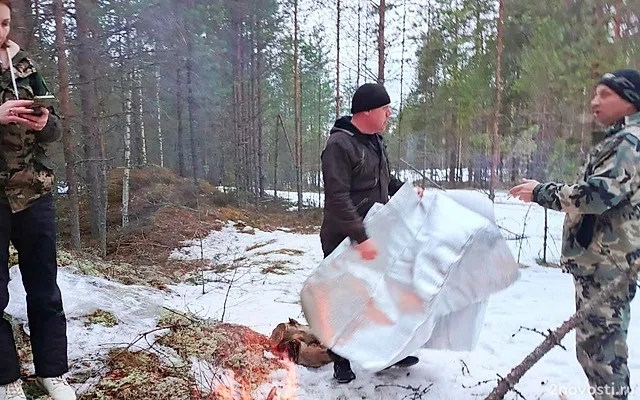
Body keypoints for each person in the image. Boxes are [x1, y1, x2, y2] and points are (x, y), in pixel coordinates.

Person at [510, 68, 640, 400]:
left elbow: (597, 196)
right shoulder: (617, 139)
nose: (595, 102)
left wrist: (541, 192)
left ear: (630, 102)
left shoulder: (628, 142)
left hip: (606, 264)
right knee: (597, 350)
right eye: (595, 93)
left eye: (605, 95)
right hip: (601, 261)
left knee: (602, 354)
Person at [320, 82, 423, 384]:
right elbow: (337, 199)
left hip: (376, 230)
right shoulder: (339, 146)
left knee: (385, 293)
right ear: (366, 111)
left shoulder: (375, 140)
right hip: (343, 237)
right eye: (385, 109)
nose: (389, 114)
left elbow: (384, 180)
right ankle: (341, 361)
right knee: (345, 298)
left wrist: (406, 191)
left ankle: (389, 351)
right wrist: (359, 238)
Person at [0, 1, 76, 399]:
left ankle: (53, 372)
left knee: (44, 289)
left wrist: (46, 123)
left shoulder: (25, 65)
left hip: (34, 192)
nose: (1, 32)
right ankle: (6, 379)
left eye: (5, 23)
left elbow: (56, 129)